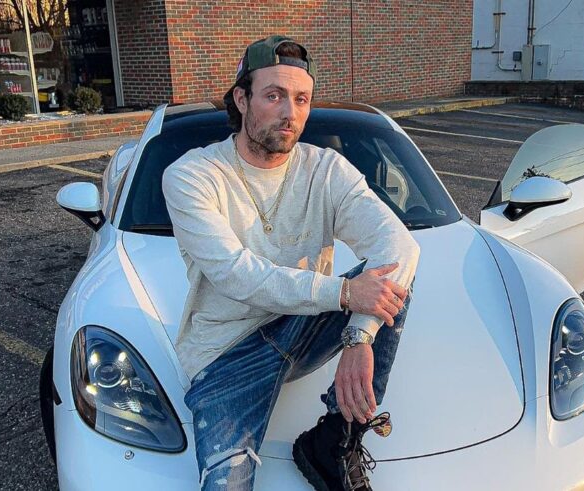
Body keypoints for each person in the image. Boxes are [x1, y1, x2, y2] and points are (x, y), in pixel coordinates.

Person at [162, 35, 420, 491]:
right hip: (227, 354)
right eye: (274, 95)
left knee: (391, 281)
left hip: (303, 328)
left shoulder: (327, 169)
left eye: (301, 99)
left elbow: (399, 245)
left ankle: (332, 440)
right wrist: (345, 294)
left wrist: (359, 335)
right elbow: (235, 273)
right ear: (242, 99)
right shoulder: (192, 175)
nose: (290, 113)